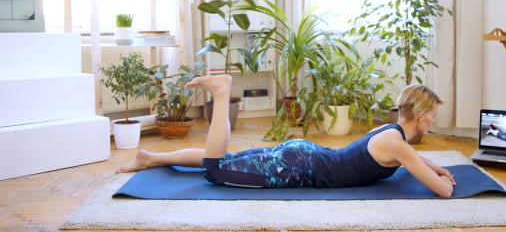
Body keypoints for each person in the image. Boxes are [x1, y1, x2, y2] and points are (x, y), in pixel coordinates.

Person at [117, 75, 456, 197]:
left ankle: (151, 158)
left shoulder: (388, 130)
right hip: (297, 169)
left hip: (303, 154)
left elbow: (412, 159)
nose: (434, 122)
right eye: (434, 117)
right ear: (422, 116)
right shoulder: (398, 144)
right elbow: (441, 191)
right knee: (214, 171)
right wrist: (444, 178)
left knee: (230, 160)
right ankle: (222, 93)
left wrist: (432, 165)